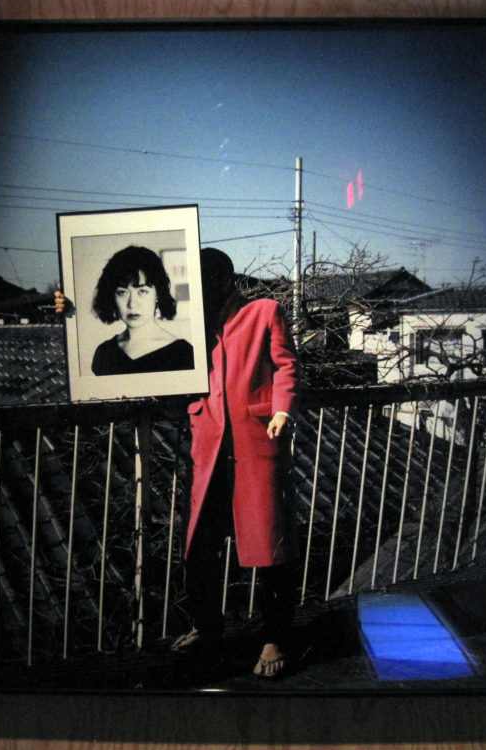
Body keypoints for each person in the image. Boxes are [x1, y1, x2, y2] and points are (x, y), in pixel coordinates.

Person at [173, 247, 299, 679]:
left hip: (257, 444)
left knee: (268, 547)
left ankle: (274, 638)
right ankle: (207, 627)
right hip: (208, 448)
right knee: (199, 547)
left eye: (208, 278)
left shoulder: (264, 311)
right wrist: (73, 311)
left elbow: (286, 366)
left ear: (226, 279)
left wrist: (282, 409)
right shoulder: (187, 324)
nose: (201, 287)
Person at [78, 245, 194, 376]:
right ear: (112, 297)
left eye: (142, 291)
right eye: (123, 292)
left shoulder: (183, 354)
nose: (132, 304)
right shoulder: (104, 353)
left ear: (158, 294)